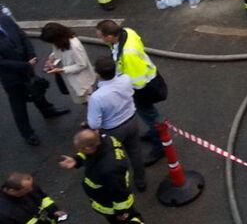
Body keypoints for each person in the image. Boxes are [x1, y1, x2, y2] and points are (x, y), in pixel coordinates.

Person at [59, 130, 153, 224]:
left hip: (115, 204)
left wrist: (122, 212)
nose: (79, 151)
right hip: (106, 202)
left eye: (81, 149)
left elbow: (119, 193)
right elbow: (91, 156)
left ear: (89, 147)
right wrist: (77, 160)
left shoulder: (109, 168)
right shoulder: (104, 140)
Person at [96, 20, 166, 166]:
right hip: (147, 78)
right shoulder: (126, 32)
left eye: (101, 36)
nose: (100, 39)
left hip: (143, 89)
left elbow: (138, 83)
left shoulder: (128, 55)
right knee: (149, 115)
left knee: (150, 116)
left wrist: (125, 93)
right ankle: (154, 134)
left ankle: (160, 145)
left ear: (109, 36)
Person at [0, 10, 68, 146]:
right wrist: (25, 65)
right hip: (11, 75)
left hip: (27, 66)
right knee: (18, 103)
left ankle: (48, 111)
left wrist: (31, 56)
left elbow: (23, 37)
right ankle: (27, 133)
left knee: (35, 88)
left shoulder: (5, 20)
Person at [87, 57, 146, 192]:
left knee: (115, 158)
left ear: (98, 74)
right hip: (131, 121)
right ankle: (141, 181)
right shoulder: (126, 79)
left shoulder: (97, 97)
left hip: (113, 130)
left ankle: (121, 185)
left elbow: (94, 123)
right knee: (135, 152)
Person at [39, 22, 95, 106]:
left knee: (89, 100)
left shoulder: (75, 46)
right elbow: (58, 51)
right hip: (71, 78)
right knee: (85, 99)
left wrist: (62, 70)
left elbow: (82, 64)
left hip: (80, 80)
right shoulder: (61, 42)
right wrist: (52, 58)